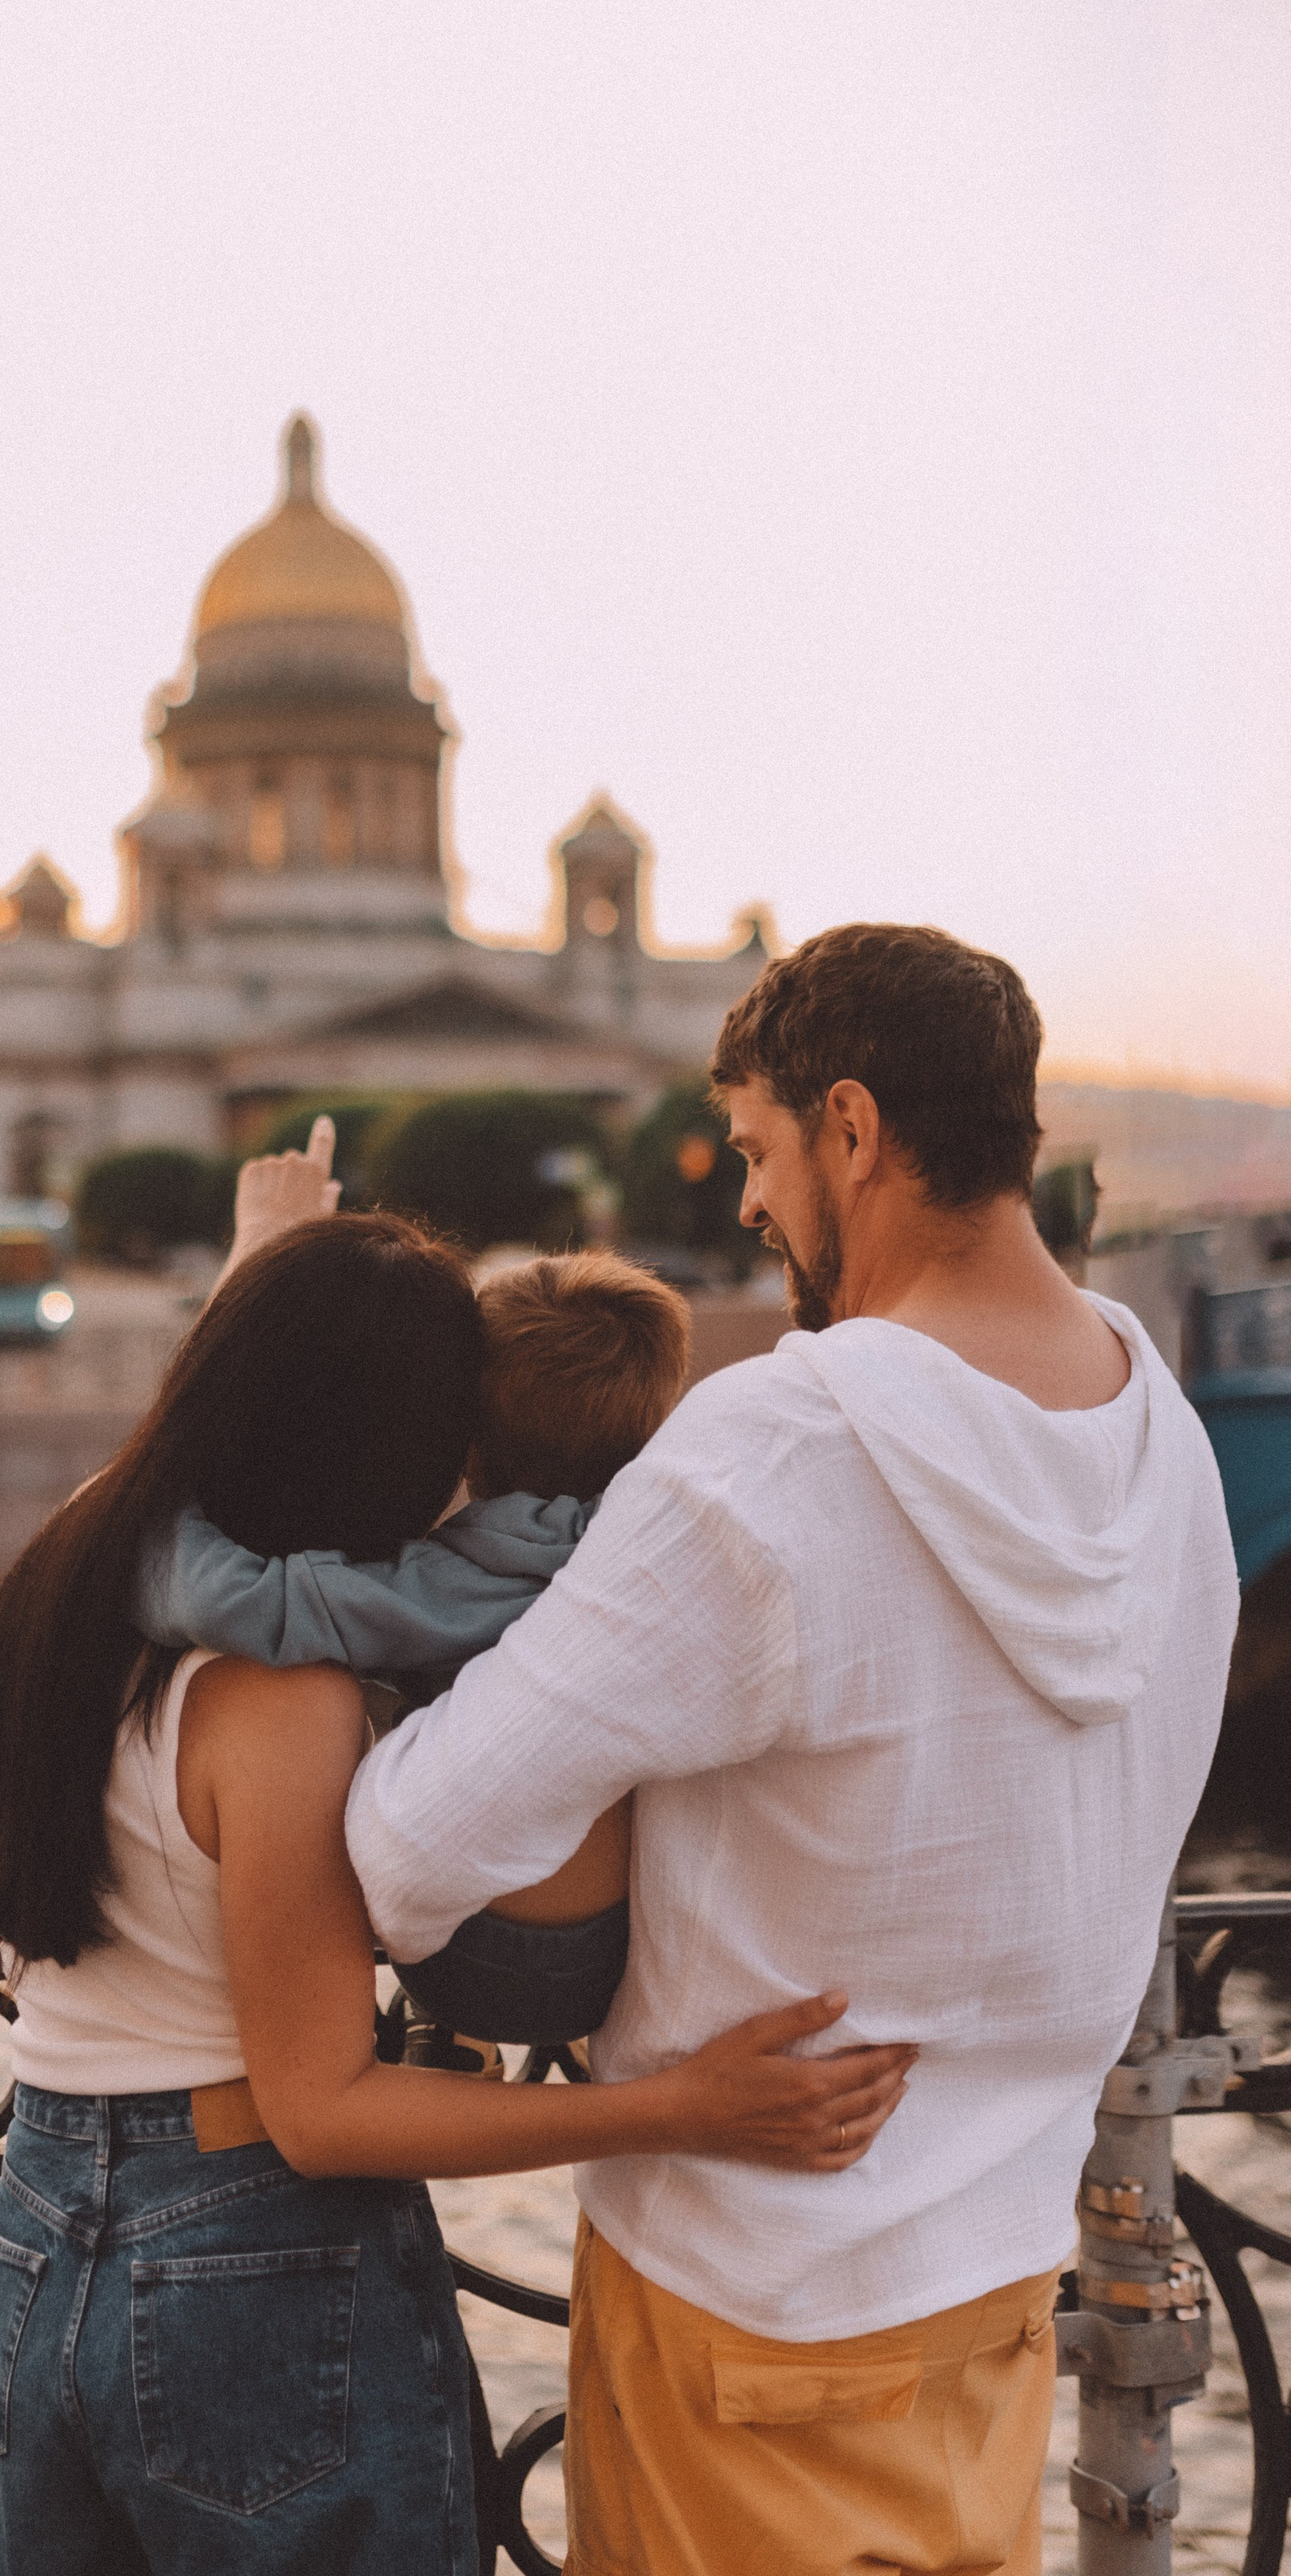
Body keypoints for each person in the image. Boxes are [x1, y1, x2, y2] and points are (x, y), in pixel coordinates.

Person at [345, 923, 1241, 2576]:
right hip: (993, 2300)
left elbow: (410, 1849)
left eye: (756, 1150)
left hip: (748, 2312)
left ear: (849, 1128)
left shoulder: (778, 1442)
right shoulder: (1160, 1431)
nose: (744, 1201)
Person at [0, 1206, 914, 2576]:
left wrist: (276, 1255)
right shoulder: (276, 1702)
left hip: (38, 2228)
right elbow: (322, 2109)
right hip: (248, 2248)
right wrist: (684, 2108)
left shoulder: (89, 1558)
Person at [139, 1245, 694, 2058]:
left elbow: (230, 1602)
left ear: (467, 1442)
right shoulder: (668, 1544)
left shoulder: (459, 1577)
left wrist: (149, 1500)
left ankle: (448, 2029)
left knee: (371, 1691)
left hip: (487, 1957)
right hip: (639, 1938)